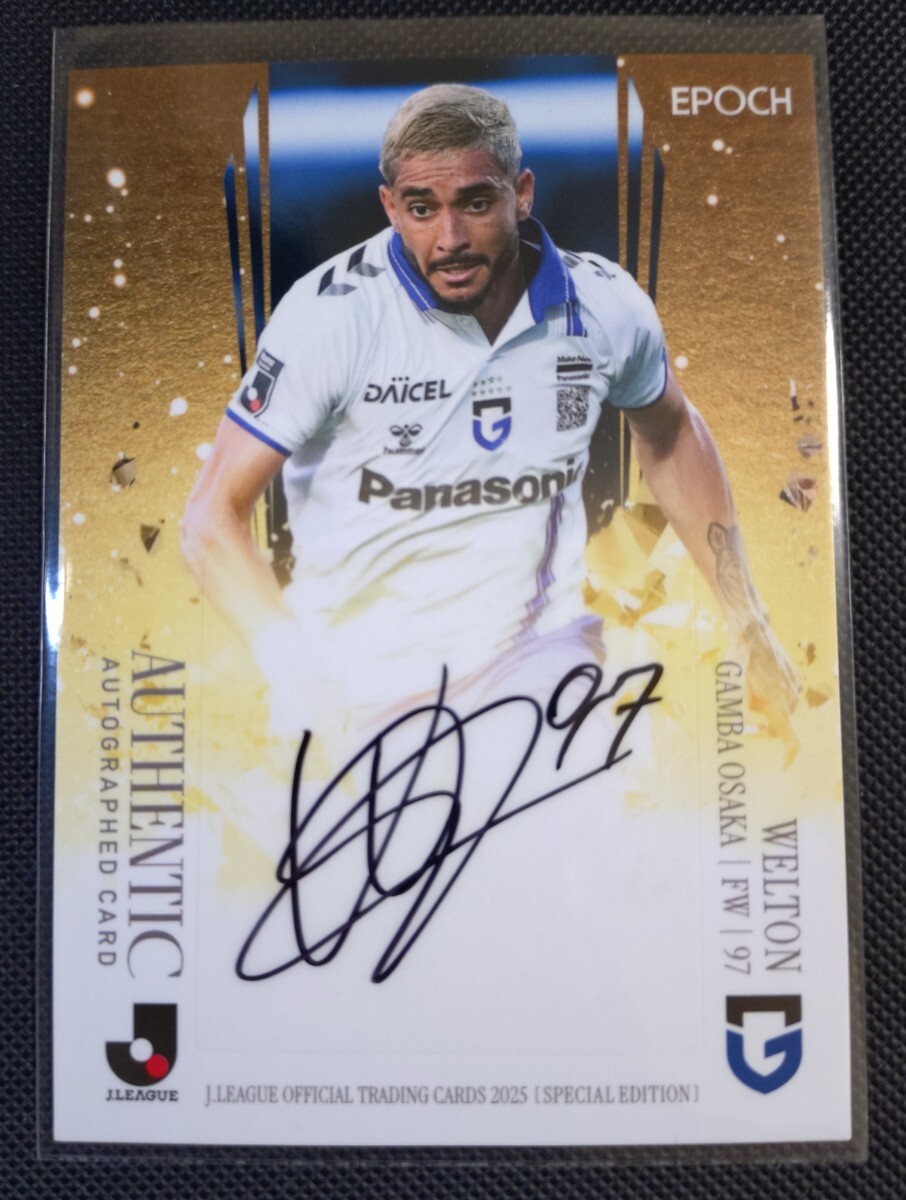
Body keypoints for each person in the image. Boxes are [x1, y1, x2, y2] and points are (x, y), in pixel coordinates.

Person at [181, 83, 799, 739]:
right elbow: (210, 518)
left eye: (476, 203)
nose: (449, 238)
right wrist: (297, 671)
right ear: (390, 207)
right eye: (422, 208)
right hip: (357, 687)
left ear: (521, 193)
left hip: (541, 670)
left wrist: (748, 619)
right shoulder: (330, 318)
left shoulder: (603, 306)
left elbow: (671, 435)